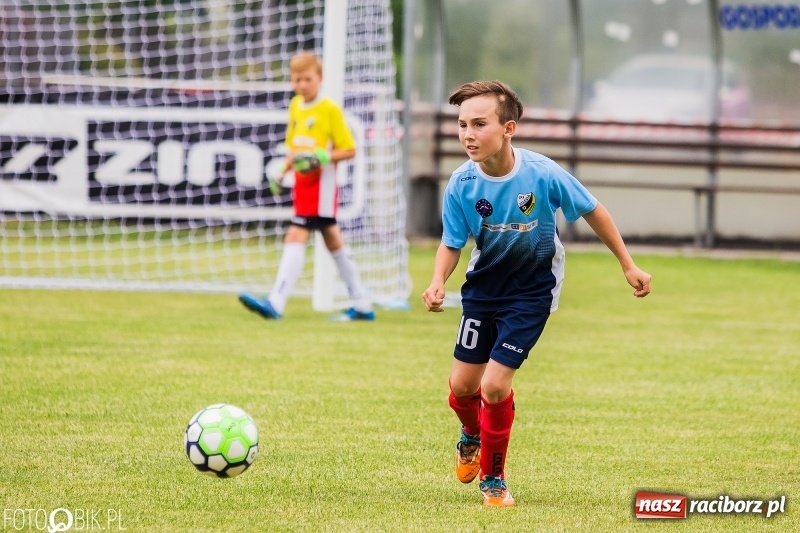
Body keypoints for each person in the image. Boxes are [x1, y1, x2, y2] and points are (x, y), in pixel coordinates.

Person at [422, 80, 652, 507]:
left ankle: (494, 480)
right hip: (484, 288)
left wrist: (628, 264)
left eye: (479, 124)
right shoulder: (461, 183)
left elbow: (593, 210)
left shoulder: (542, 173)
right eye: (462, 125)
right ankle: (470, 433)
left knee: (494, 386)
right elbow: (452, 242)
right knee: (462, 387)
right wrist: (438, 281)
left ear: (508, 128)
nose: (468, 134)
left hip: (532, 291)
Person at [239, 52, 374, 322]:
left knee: (296, 235)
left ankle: (276, 302)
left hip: (322, 188)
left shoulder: (329, 110)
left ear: (320, 79)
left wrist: (322, 157)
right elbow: (295, 147)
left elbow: (349, 149)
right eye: (297, 79)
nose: (302, 84)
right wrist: (283, 171)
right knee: (333, 241)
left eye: (307, 79)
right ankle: (362, 304)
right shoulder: (296, 106)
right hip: (302, 186)